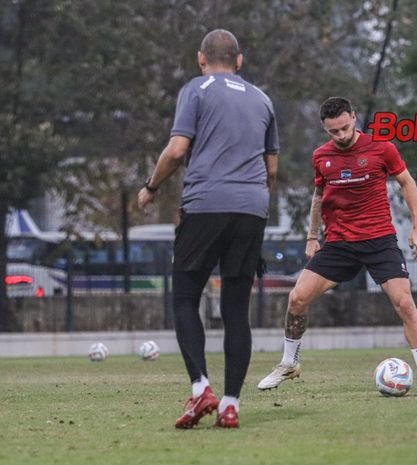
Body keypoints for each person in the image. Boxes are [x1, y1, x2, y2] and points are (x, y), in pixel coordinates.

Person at [137, 29, 279, 428]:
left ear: (202, 59)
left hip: (205, 206)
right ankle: (231, 403)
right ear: (240, 60)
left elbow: (178, 149)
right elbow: (271, 170)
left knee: (184, 297)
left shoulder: (196, 89)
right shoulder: (263, 99)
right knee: (236, 310)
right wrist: (251, 201)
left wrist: (150, 188)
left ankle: (201, 389)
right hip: (252, 209)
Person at [257, 96, 417, 396]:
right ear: (324, 128)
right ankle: (289, 364)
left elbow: (407, 183)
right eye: (333, 132)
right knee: (296, 298)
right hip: (340, 243)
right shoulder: (321, 156)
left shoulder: (382, 148)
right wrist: (312, 237)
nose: (340, 136)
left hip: (379, 239)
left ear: (354, 118)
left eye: (344, 128)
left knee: (405, 303)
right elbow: (318, 196)